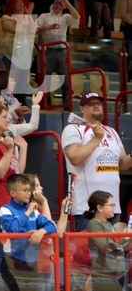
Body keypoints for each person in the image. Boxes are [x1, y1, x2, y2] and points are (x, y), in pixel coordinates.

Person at [0, 96, 41, 270]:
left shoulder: (4, 142)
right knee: (2, 250)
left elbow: (16, 172)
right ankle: (1, 283)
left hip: (12, 202)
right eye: (4, 117)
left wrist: (22, 149)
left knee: (16, 249)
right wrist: (9, 150)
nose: (7, 119)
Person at [62, 92, 132, 232]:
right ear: (82, 108)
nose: (96, 106)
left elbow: (123, 163)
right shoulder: (73, 129)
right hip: (88, 207)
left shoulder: (111, 131)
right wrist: (96, 139)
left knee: (111, 250)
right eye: (91, 104)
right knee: (91, 251)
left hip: (112, 206)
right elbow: (75, 158)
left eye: (98, 103)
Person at [0, 174, 57, 290]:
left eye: (29, 190)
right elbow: (13, 229)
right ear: (13, 193)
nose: (29, 193)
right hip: (13, 261)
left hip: (32, 260)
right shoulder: (5, 209)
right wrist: (28, 211)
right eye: (25, 190)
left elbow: (52, 225)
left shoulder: (32, 211)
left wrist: (41, 231)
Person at [84, 190, 127, 291]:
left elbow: (114, 243)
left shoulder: (108, 224)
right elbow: (106, 247)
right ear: (99, 208)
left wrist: (126, 238)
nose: (114, 208)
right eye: (111, 205)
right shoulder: (94, 224)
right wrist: (125, 243)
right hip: (104, 274)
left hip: (115, 272)